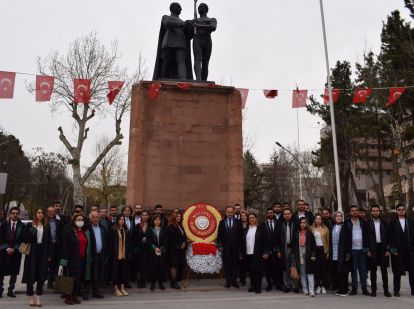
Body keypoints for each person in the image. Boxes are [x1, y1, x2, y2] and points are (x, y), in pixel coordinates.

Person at [153, 2, 194, 80]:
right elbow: (167, 23)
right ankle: (162, 79)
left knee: (181, 61)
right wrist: (183, 23)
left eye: (180, 7)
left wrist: (191, 26)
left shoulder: (183, 22)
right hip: (168, 42)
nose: (180, 9)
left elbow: (188, 35)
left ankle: (183, 79)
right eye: (178, 7)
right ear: (172, 8)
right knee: (166, 61)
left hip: (181, 43)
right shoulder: (166, 17)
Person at [59, 213, 93, 305]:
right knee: (70, 278)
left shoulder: (83, 231)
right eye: (78, 220)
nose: (80, 221)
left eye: (81, 220)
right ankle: (68, 297)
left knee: (78, 279)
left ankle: (74, 296)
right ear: (74, 221)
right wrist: (64, 261)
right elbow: (65, 247)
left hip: (82, 259)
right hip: (71, 259)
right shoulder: (69, 231)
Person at [22, 208, 51, 307]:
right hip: (32, 252)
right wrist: (33, 229)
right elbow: (25, 239)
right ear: (35, 214)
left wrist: (49, 255)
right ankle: (30, 296)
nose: (40, 214)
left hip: (42, 252)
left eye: (42, 213)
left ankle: (38, 296)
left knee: (41, 275)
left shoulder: (46, 226)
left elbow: (49, 241)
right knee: (30, 274)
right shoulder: (30, 225)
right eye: (38, 213)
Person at [389, 204, 414, 297]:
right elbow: (390, 237)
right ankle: (396, 290)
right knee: (397, 272)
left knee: (412, 271)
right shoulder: (392, 223)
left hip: (410, 251)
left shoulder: (411, 222)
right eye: (399, 209)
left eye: (403, 209)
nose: (401, 211)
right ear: (396, 211)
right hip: (397, 251)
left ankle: (413, 290)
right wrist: (393, 248)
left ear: (405, 210)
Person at [241, 213, 269, 294]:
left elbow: (266, 241)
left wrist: (265, 252)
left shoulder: (261, 228)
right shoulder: (246, 229)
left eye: (253, 218)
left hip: (258, 253)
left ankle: (258, 287)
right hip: (248, 253)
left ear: (256, 219)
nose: (251, 219)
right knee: (251, 271)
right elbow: (242, 242)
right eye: (250, 218)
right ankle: (253, 286)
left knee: (258, 271)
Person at [366, 205, 391, 297]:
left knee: (384, 271)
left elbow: (389, 237)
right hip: (373, 248)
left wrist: (388, 249)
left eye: (377, 211)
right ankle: (373, 290)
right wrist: (367, 250)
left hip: (383, 248)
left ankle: (386, 290)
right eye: (374, 211)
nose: (375, 212)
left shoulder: (384, 222)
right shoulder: (367, 223)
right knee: (373, 271)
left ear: (379, 212)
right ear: (371, 212)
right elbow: (366, 238)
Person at [0, 206, 24, 298]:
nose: (15, 215)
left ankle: (11, 290)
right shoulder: (4, 224)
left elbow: (22, 239)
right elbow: (1, 238)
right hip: (4, 252)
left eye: (16, 213)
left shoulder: (22, 226)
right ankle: (0, 290)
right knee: (1, 272)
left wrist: (14, 248)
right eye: (13, 213)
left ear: (19, 214)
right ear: (10, 214)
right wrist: (7, 248)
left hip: (16, 252)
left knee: (14, 272)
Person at [346, 205, 370, 296]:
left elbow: (367, 236)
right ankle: (354, 289)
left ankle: (364, 289)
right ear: (350, 212)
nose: (354, 212)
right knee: (353, 270)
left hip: (362, 249)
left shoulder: (363, 222)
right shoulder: (347, 223)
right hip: (352, 250)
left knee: (363, 270)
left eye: (356, 210)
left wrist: (367, 249)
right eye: (352, 210)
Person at [217, 206, 242, 288]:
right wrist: (220, 246)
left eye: (231, 212)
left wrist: (240, 248)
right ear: (225, 213)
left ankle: (234, 281)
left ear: (233, 212)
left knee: (235, 265)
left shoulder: (238, 222)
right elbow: (219, 236)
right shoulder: (221, 222)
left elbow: (240, 236)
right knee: (227, 265)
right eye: (228, 212)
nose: (230, 213)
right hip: (225, 247)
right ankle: (228, 281)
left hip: (235, 248)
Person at [85, 211, 107, 299]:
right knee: (87, 274)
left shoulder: (102, 228)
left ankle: (96, 292)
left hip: (100, 255)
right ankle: (86, 292)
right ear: (90, 218)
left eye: (97, 217)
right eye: (93, 217)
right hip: (89, 255)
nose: (95, 219)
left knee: (97, 273)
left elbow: (105, 242)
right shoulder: (86, 228)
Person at [292, 217, 317, 297]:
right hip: (300, 256)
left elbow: (314, 245)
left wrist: (313, 254)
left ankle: (311, 291)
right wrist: (293, 257)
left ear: (306, 224)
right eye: (301, 222)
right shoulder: (296, 234)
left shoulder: (310, 233)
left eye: (304, 222)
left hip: (309, 256)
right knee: (302, 274)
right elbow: (293, 246)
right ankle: (305, 290)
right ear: (299, 224)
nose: (303, 224)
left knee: (310, 273)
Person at [193, 2, 217, 81]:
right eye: (198, 7)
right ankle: (198, 79)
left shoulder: (212, 19)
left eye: (201, 7)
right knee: (197, 59)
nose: (199, 8)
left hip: (207, 40)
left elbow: (213, 27)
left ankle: (204, 80)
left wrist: (198, 25)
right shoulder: (195, 20)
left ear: (206, 9)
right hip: (197, 39)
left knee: (205, 62)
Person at [329, 211, 351, 297]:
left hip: (343, 253)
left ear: (342, 218)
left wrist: (348, 254)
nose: (338, 218)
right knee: (337, 272)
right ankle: (339, 288)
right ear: (334, 218)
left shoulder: (345, 227)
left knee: (343, 272)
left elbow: (349, 241)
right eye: (337, 216)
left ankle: (344, 290)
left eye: (340, 216)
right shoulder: (332, 227)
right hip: (334, 253)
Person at [278, 208, 299, 293]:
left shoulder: (295, 223)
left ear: (291, 214)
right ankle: (287, 285)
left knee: (294, 267)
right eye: (285, 214)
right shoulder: (280, 224)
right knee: (285, 267)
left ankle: (295, 286)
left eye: (288, 214)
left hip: (294, 248)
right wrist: (278, 250)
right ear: (283, 215)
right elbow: (277, 239)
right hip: (284, 248)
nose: (287, 215)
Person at [109, 215, 130, 297]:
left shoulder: (126, 230)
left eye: (123, 219)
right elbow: (110, 243)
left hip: (124, 254)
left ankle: (122, 288)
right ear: (117, 220)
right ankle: (115, 289)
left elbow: (128, 243)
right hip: (115, 255)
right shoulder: (113, 230)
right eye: (120, 219)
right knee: (115, 271)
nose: (122, 221)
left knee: (123, 271)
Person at [147, 214, 168, 291]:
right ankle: (153, 284)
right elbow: (149, 240)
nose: (157, 221)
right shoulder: (150, 229)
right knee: (153, 268)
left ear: (161, 221)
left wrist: (161, 248)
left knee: (161, 267)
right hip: (153, 252)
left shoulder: (164, 229)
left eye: (159, 219)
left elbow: (166, 240)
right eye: (156, 219)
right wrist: (155, 248)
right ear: (153, 221)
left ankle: (160, 283)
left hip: (162, 251)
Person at [167, 210, 187, 289]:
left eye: (180, 216)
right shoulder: (171, 226)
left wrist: (184, 243)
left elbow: (184, 237)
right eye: (177, 216)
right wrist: (179, 245)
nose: (179, 218)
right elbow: (172, 238)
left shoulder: (180, 226)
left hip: (180, 249)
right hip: (173, 249)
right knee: (173, 265)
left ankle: (174, 282)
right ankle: (173, 282)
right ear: (174, 217)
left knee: (177, 265)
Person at [261, 207, 280, 291]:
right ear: (266, 214)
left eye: (271, 213)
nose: (270, 214)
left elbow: (280, 238)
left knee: (277, 268)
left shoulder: (278, 223)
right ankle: (269, 284)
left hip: (277, 250)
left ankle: (278, 284)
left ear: (273, 213)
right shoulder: (263, 224)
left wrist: (279, 250)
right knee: (268, 269)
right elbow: (262, 239)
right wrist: (264, 251)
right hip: (267, 251)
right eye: (268, 213)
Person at [45, 206, 63, 290]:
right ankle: (47, 281)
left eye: (53, 211)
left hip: (57, 247)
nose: (52, 212)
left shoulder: (59, 222)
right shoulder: (44, 222)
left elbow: (61, 234)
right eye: (50, 211)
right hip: (46, 247)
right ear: (47, 213)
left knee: (56, 265)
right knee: (48, 265)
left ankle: (52, 282)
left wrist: (57, 239)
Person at [311, 214, 329, 294]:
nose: (318, 220)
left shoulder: (325, 229)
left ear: (322, 220)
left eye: (320, 219)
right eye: (317, 218)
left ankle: (324, 286)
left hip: (323, 250)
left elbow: (328, 242)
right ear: (315, 220)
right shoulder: (312, 228)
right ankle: (318, 285)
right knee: (316, 268)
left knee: (324, 268)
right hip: (315, 250)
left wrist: (327, 252)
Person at [133, 210, 150, 288]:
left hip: (147, 249)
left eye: (146, 215)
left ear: (148, 216)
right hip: (138, 249)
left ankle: (144, 280)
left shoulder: (150, 226)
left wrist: (147, 239)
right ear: (141, 216)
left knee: (146, 265)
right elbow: (134, 238)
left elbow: (152, 237)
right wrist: (138, 243)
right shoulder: (137, 226)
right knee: (139, 266)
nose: (144, 216)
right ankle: (139, 281)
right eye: (143, 215)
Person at [238, 211, 249, 286]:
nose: (243, 217)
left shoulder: (250, 224)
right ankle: (242, 280)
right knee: (241, 265)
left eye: (245, 216)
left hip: (249, 247)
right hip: (241, 247)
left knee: (248, 264)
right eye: (242, 216)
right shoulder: (238, 225)